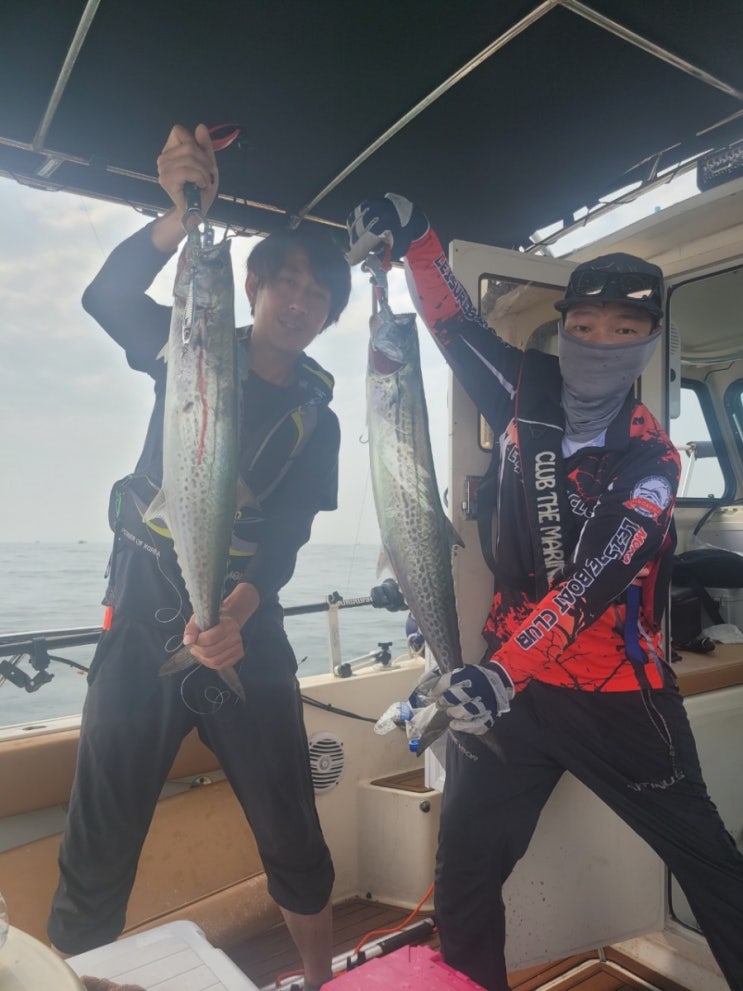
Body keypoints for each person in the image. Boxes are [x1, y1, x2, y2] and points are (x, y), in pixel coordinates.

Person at [346, 194, 743, 991]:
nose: (600, 343)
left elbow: (595, 578)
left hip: (617, 700)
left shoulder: (652, 459)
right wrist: (415, 232)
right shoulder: (522, 389)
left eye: (624, 331)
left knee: (711, 869)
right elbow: (451, 324)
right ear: (563, 330)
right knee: (462, 874)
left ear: (648, 341)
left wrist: (497, 672)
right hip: (513, 701)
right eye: (585, 326)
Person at [47, 124, 351, 991]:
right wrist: (180, 218)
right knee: (99, 837)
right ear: (250, 287)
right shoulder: (183, 344)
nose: (300, 299)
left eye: (318, 292)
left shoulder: (318, 420)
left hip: (244, 627)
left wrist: (235, 618)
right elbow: (107, 295)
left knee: (291, 825)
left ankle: (319, 979)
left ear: (329, 314)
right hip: (143, 612)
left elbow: (285, 539)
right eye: (286, 279)